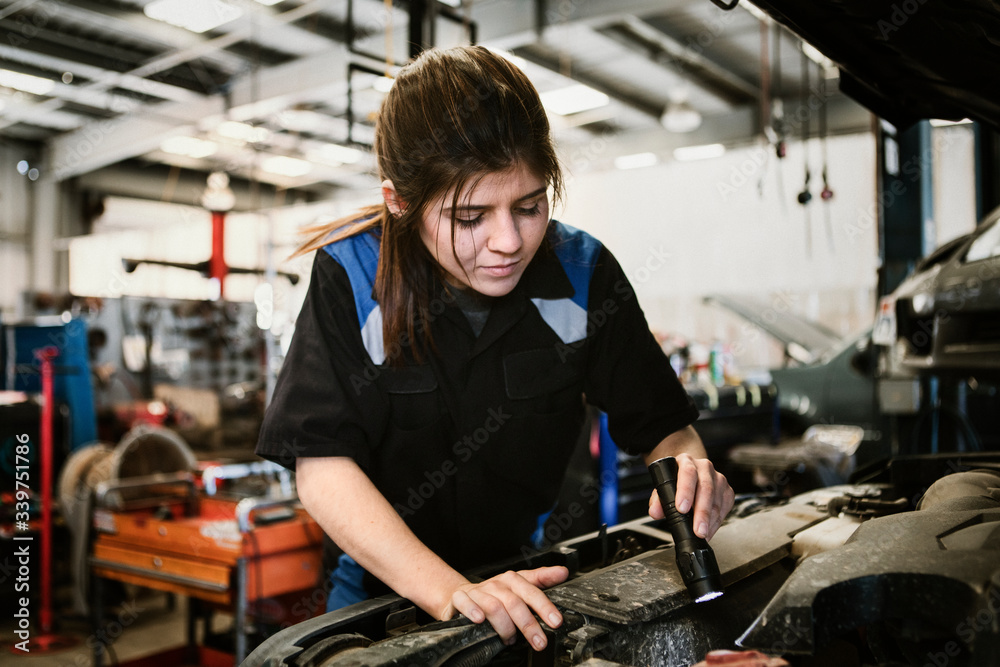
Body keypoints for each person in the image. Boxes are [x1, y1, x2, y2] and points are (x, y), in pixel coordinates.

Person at [256, 44, 734, 653]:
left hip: (535, 575)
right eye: (469, 217)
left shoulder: (582, 273)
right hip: (380, 593)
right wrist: (451, 593)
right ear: (400, 201)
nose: (507, 241)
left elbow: (666, 428)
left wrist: (692, 474)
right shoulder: (352, 276)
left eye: (529, 206)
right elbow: (322, 468)